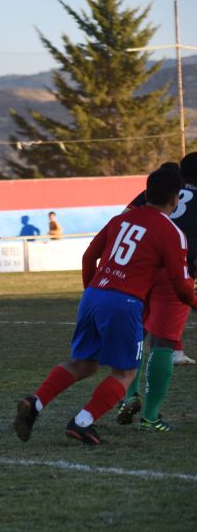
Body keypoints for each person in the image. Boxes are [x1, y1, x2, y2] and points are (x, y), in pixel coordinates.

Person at [12, 166, 196, 445]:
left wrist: (93, 291)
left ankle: (34, 403)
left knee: (83, 364)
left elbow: (88, 257)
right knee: (125, 373)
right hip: (123, 302)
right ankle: (83, 422)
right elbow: (182, 288)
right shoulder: (171, 232)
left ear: (146, 192)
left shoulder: (120, 220)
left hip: (95, 294)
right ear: (175, 199)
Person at [115, 155, 197, 431]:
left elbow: (125, 218)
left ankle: (128, 395)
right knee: (164, 343)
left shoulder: (160, 189)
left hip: (141, 269)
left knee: (137, 334)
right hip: (177, 273)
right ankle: (150, 417)